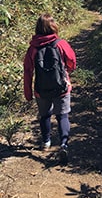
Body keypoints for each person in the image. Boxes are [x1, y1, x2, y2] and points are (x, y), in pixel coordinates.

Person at [24, 13, 76, 165]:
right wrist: (67, 72)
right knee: (62, 116)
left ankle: (46, 142)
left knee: (45, 116)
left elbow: (28, 71)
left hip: (41, 90)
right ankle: (64, 144)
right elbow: (72, 60)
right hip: (61, 87)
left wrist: (28, 93)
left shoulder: (33, 48)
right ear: (53, 26)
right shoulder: (60, 43)